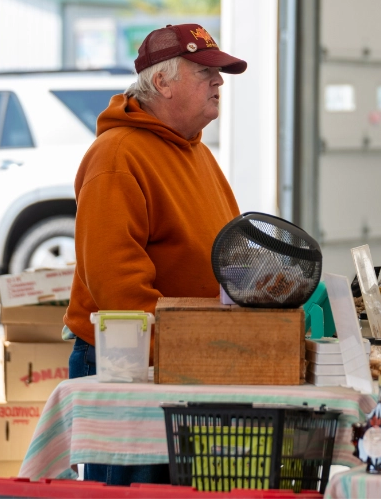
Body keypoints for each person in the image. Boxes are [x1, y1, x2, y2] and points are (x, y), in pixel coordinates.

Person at [63, 24, 246, 485]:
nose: (219, 82)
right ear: (162, 82)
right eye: (205, 72)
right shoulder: (118, 156)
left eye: (219, 72)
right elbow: (116, 286)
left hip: (185, 360)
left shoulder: (194, 151)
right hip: (131, 365)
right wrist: (190, 349)